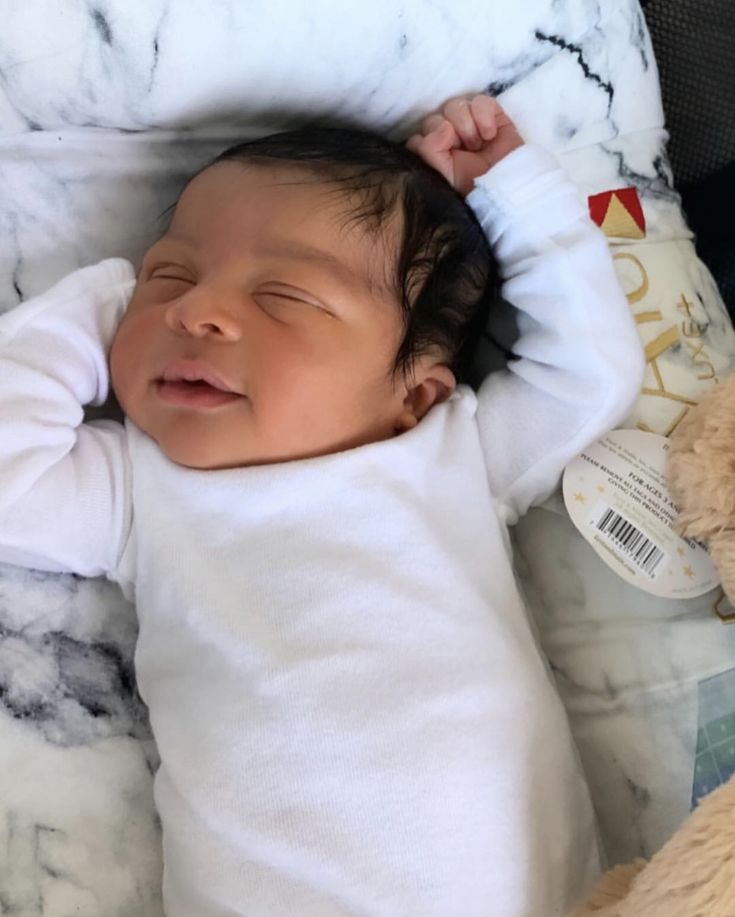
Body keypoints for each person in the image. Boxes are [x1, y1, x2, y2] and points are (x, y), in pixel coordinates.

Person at [0, 94, 644, 916]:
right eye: (171, 274)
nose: (197, 311)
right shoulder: (142, 488)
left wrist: (514, 195)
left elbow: (591, 371)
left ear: (416, 392)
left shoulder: (449, 456)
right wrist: (104, 302)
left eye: (286, 297)